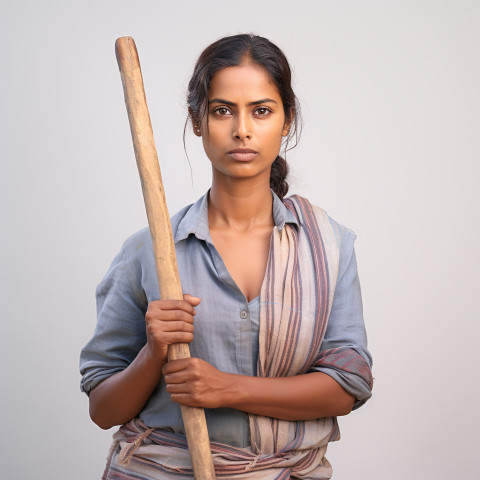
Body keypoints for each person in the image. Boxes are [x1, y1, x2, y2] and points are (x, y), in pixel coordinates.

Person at [80, 33, 373, 479]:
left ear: (287, 119)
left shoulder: (329, 246)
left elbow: (347, 387)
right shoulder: (148, 251)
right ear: (197, 122)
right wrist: (155, 351)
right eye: (222, 110)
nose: (242, 129)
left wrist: (226, 388)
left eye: (261, 110)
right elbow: (103, 409)